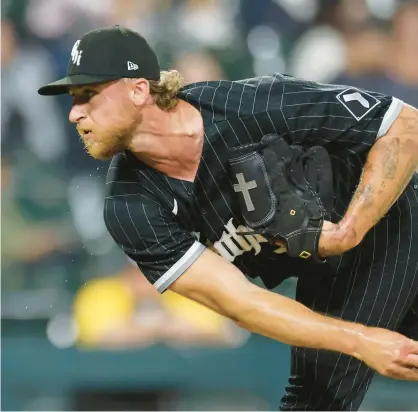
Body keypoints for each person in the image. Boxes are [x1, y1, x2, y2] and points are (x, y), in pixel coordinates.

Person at [38, 26, 418, 410]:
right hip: (331, 271)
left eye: (88, 95)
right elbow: (242, 304)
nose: (74, 113)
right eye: (73, 99)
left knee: (316, 402)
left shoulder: (253, 105)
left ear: (138, 90)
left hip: (395, 218)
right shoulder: (131, 207)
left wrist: (349, 232)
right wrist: (361, 340)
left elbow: (405, 124)